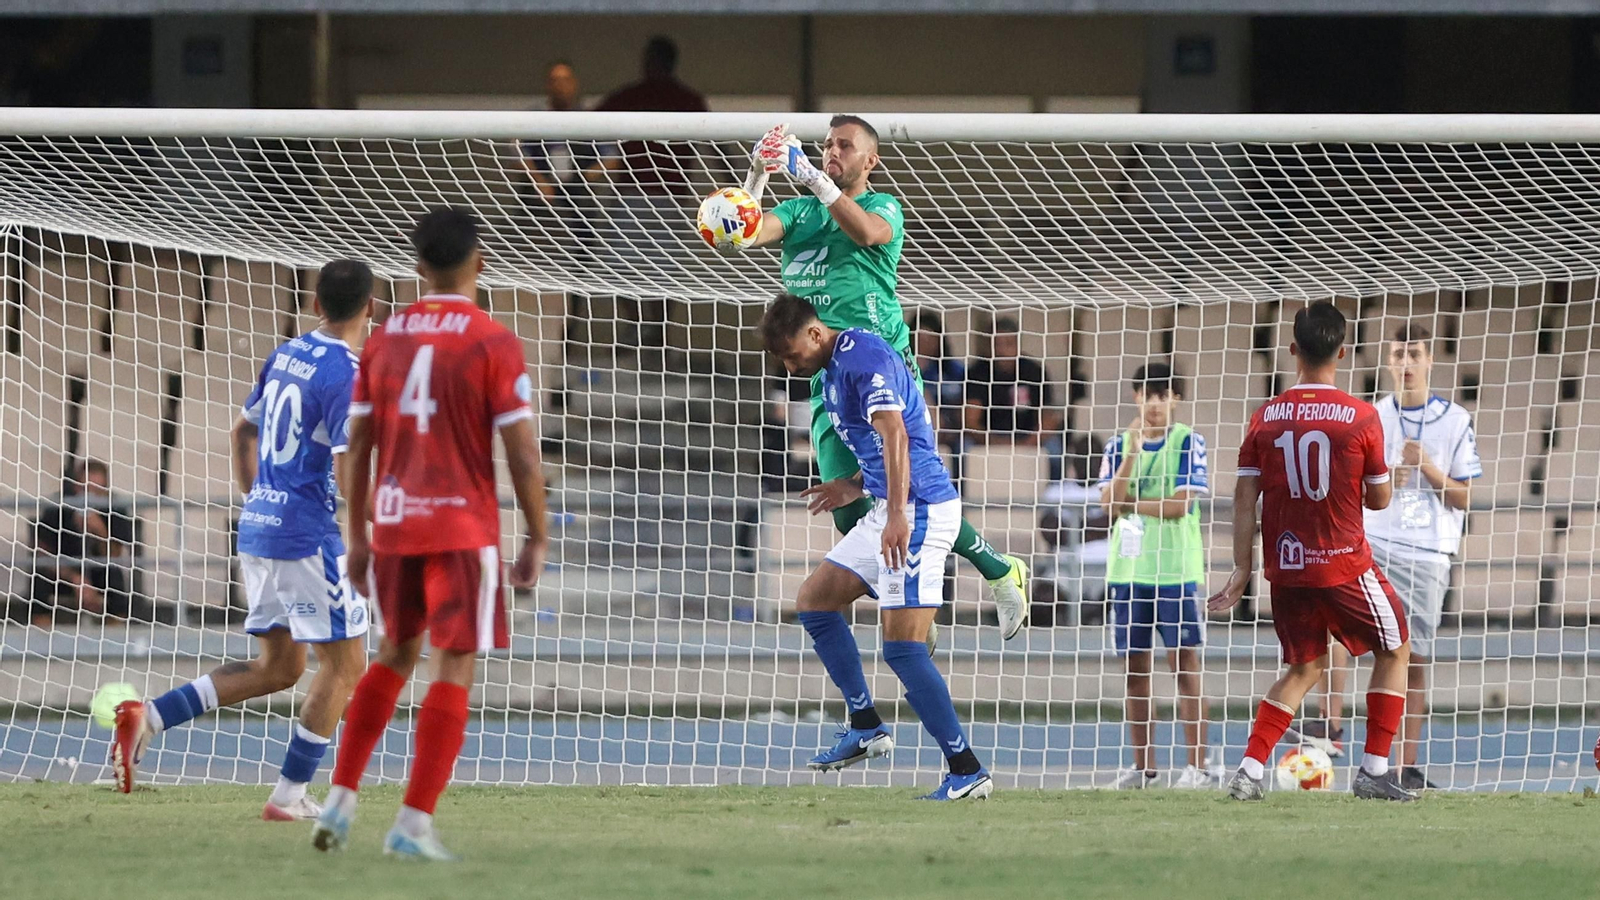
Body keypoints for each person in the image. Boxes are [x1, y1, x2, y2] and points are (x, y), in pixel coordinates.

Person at [730, 116, 1031, 640]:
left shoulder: (881, 205)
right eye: (825, 145)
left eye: (844, 146)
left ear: (870, 161)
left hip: (883, 368)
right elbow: (743, 232)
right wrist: (756, 175)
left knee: (912, 495)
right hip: (824, 376)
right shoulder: (798, 212)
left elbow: (866, 233)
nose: (831, 152)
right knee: (845, 509)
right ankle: (923, 602)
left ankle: (999, 572)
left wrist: (814, 180)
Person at [310, 208, 549, 861]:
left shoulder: (384, 340)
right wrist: (537, 534)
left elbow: (357, 443)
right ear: (481, 261)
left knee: (393, 653)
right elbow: (523, 454)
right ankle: (412, 823)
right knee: (454, 661)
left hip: (392, 522)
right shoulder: (492, 340)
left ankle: (340, 798)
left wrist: (357, 533)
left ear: (416, 269)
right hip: (461, 525)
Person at [107, 260, 377, 814]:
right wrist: (363, 535)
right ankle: (289, 796)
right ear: (371, 307)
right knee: (347, 666)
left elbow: (242, 430)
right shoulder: (348, 371)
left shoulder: (286, 355)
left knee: (280, 668)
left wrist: (259, 498)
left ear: (315, 303)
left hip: (259, 525)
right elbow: (351, 465)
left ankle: (147, 718)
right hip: (308, 534)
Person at [758, 293, 992, 800]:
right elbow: (879, 444)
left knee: (903, 649)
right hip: (889, 503)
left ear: (815, 334)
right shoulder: (835, 367)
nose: (791, 365)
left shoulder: (863, 359)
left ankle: (967, 768)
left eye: (793, 353)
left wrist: (899, 517)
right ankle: (865, 723)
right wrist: (854, 486)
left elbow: (898, 437)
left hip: (920, 508)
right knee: (815, 602)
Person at [1210, 301, 1416, 802]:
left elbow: (1244, 496)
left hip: (1287, 566)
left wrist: (1243, 567)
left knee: (1304, 669)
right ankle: (1373, 770)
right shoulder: (1362, 417)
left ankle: (1250, 772)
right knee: (1396, 648)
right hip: (1344, 564)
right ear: (1343, 351)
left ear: (1292, 350)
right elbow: (1380, 497)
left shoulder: (1267, 416)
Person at [1297, 322, 1479, 791]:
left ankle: (1405, 764)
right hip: (1373, 542)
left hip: (1427, 552)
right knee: (1341, 633)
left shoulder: (1456, 420)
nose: (1406, 364)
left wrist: (1429, 469)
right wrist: (1383, 484)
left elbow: (1466, 497)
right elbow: (1350, 489)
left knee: (1413, 657)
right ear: (1388, 362)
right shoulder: (1370, 415)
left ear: (1429, 360)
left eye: (1414, 354)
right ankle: (1329, 728)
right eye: (1398, 355)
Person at [1098, 363, 1213, 789]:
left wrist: (1130, 503)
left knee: (1184, 667)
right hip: (1128, 573)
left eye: (1163, 395)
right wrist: (1131, 454)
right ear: (1135, 397)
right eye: (1147, 394)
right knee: (1134, 672)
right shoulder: (1117, 446)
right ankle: (1144, 769)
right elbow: (1108, 506)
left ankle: (1198, 768)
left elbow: (1180, 505)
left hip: (1174, 571)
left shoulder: (1189, 442)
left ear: (1176, 400)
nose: (1154, 403)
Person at [28, 459, 146, 625]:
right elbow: (42, 552)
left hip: (99, 571)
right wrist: (75, 578)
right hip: (63, 572)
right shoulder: (59, 504)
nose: (91, 495)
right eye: (85, 489)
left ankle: (115, 638)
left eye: (98, 490)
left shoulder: (115, 506)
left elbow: (115, 555)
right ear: (76, 487)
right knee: (39, 580)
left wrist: (100, 531)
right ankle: (39, 638)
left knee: (115, 579)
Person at [964, 316, 1062, 446]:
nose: (1002, 350)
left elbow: (1048, 418)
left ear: (1017, 345)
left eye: (1008, 344)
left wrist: (1027, 443)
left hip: (1028, 435)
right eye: (997, 344)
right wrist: (996, 443)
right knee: (964, 446)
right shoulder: (978, 372)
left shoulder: (1034, 371)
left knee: (1054, 447)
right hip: (989, 437)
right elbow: (971, 422)